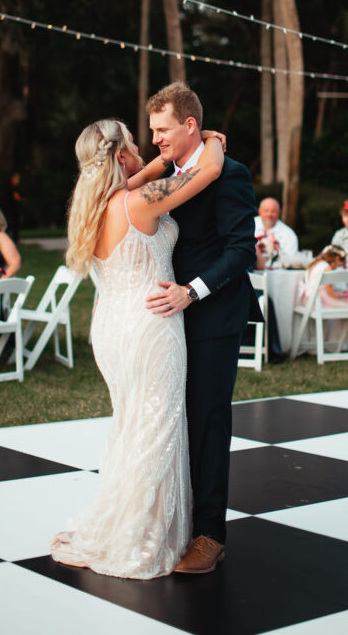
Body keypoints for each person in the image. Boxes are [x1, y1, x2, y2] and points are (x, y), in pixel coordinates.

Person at [50, 118, 225, 579]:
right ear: (122, 155)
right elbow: (205, 174)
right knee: (156, 429)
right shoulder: (138, 204)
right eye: (133, 141)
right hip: (151, 326)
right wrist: (209, 141)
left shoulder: (95, 205)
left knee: (132, 426)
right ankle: (143, 537)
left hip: (110, 328)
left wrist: (154, 165)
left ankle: (128, 523)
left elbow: (141, 175)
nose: (142, 146)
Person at [144, 82, 260, 576]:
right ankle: (178, 521)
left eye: (163, 130)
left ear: (190, 125)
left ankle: (210, 534)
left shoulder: (229, 174)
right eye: (151, 131)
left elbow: (241, 251)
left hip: (213, 314)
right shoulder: (169, 175)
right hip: (169, 320)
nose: (156, 140)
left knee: (209, 421)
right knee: (175, 418)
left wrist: (191, 291)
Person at [297, 244, 348, 338]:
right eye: (341, 261)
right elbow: (329, 291)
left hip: (310, 301)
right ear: (337, 258)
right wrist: (338, 297)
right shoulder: (327, 268)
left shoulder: (316, 264)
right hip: (320, 302)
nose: (341, 265)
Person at [254, 196, 298, 268]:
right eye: (266, 210)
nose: (269, 214)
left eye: (273, 211)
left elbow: (290, 260)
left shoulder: (289, 234)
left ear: (279, 213)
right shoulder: (250, 225)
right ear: (259, 211)